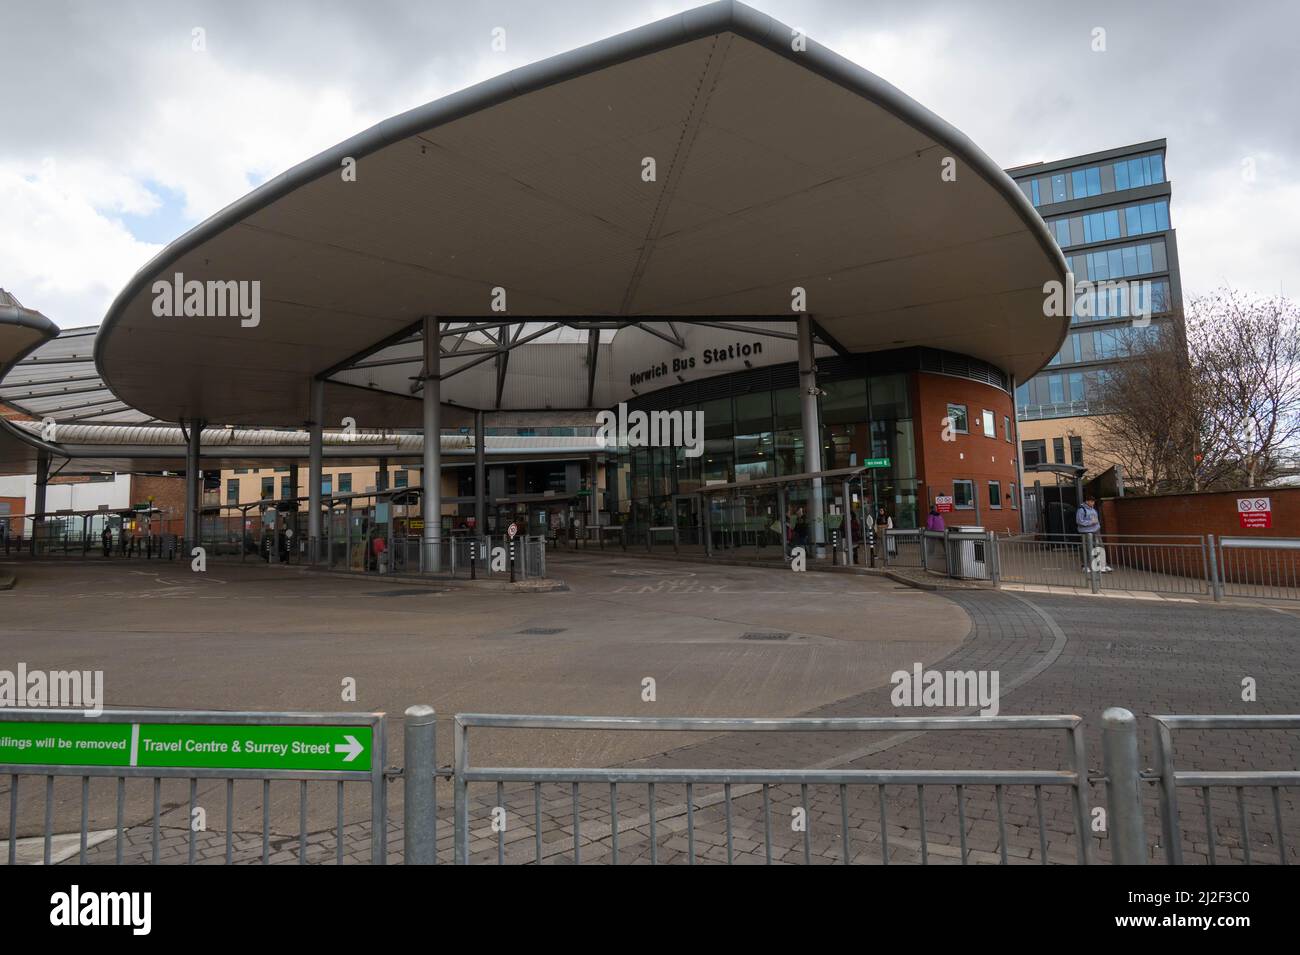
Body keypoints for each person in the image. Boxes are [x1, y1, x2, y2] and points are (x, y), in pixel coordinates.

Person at [1075, 495, 1111, 572]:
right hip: (1086, 532)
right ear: (1087, 501)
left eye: (1093, 502)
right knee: (1087, 549)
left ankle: (1102, 565)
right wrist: (1091, 522)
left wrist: (1097, 525)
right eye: (1091, 501)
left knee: (1100, 547)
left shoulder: (1093, 509)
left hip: (1096, 530)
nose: (1093, 503)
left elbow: (1096, 519)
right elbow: (1079, 521)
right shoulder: (1081, 510)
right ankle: (1085, 566)